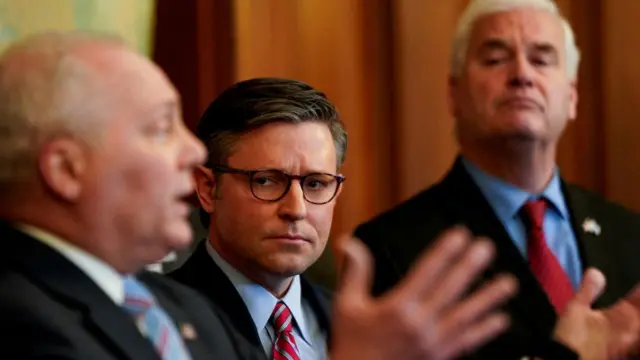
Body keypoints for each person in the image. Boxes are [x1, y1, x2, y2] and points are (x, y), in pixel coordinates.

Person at [354, 0, 640, 359]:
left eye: (541, 59)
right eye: (495, 59)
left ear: (572, 96)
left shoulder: (630, 236)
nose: (522, 74)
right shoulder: (391, 249)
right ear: (453, 93)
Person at [169, 77, 519, 360]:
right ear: (207, 189)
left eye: (316, 184)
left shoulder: (362, 328)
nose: (297, 208)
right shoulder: (156, 316)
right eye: (266, 181)